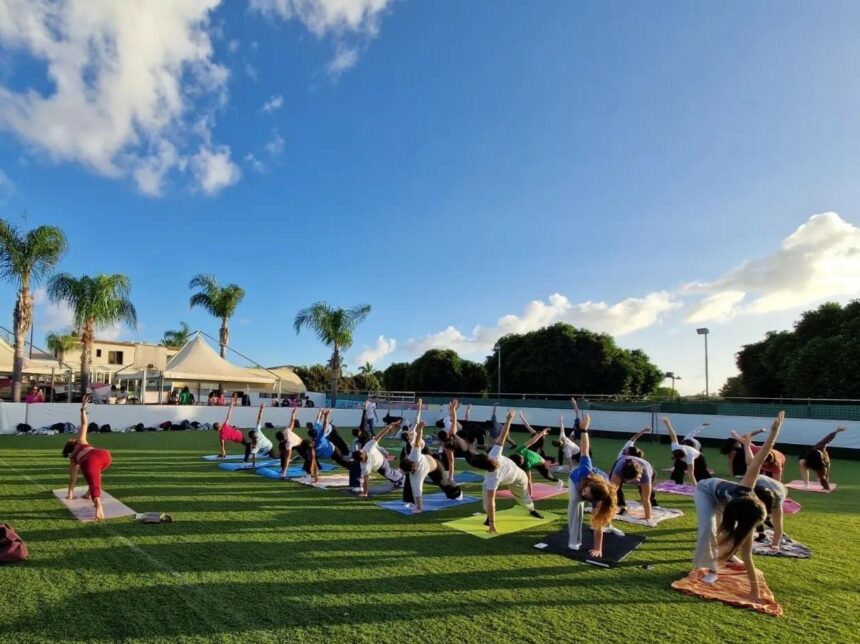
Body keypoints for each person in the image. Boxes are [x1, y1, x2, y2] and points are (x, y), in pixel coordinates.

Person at [691, 411, 784, 599]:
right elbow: (758, 460)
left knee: (732, 539)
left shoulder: (747, 519)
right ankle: (711, 569)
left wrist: (755, 593)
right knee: (709, 528)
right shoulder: (746, 487)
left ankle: (728, 556)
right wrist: (774, 433)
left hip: (728, 504)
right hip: (706, 490)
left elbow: (749, 558)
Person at [471, 409, 544, 534]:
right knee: (486, 491)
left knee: (523, 498)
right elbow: (503, 436)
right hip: (507, 476)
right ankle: (489, 516)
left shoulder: (492, 477)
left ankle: (531, 509)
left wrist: (493, 526)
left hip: (518, 478)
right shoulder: (493, 455)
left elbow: (503, 436)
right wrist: (509, 419)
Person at [566, 413, 620, 556]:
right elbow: (584, 450)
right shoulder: (586, 470)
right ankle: (574, 541)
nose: (583, 494)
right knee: (575, 505)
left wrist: (598, 548)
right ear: (589, 484)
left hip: (599, 490)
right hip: (575, 480)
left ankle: (609, 526)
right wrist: (584, 430)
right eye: (586, 492)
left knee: (603, 514)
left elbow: (597, 523)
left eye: (586, 495)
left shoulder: (601, 498)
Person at [62, 396, 112, 521]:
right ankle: (87, 495)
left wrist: (70, 495)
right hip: (105, 455)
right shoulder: (81, 441)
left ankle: (98, 505)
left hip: (90, 461)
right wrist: (83, 408)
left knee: (94, 482)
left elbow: (73, 478)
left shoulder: (73, 458)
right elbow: (85, 424)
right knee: (96, 476)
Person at [400, 418, 464, 511]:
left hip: (436, 468)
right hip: (428, 466)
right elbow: (418, 495)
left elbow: (417, 441)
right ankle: (409, 500)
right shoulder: (414, 466)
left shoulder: (414, 462)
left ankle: (458, 493)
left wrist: (420, 429)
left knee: (444, 483)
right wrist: (419, 508)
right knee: (411, 483)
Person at [354, 420, 404, 497]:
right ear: (362, 457)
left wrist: (390, 426)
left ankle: (401, 478)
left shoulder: (368, 446)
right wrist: (365, 492)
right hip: (378, 466)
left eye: (361, 450)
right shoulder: (364, 466)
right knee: (387, 474)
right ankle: (398, 478)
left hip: (382, 462)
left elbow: (380, 434)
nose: (362, 450)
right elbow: (366, 480)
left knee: (388, 473)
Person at [509, 429, 564, 493]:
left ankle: (559, 481)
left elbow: (532, 441)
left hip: (540, 461)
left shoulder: (526, 462)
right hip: (533, 460)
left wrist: (541, 434)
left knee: (547, 476)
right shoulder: (517, 457)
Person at [662, 417, 711, 485]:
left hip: (698, 456)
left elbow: (690, 472)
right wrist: (667, 424)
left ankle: (705, 481)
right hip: (686, 451)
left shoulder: (690, 456)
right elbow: (673, 435)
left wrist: (695, 485)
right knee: (678, 466)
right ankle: (677, 481)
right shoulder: (676, 447)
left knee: (700, 470)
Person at [609, 454, 657, 521]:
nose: (638, 481)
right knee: (613, 490)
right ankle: (622, 506)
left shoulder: (645, 475)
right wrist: (609, 511)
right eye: (635, 480)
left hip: (646, 466)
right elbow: (612, 493)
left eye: (638, 478)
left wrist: (647, 517)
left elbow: (646, 499)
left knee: (647, 494)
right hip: (622, 462)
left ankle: (655, 505)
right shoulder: (618, 471)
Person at [275, 408, 304, 477]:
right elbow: (292, 422)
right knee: (283, 455)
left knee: (286, 456)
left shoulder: (289, 443)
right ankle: (282, 468)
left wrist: (284, 472)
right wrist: (293, 413)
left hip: (300, 444)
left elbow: (288, 457)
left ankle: (284, 470)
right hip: (290, 443)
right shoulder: (286, 431)